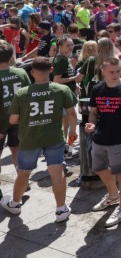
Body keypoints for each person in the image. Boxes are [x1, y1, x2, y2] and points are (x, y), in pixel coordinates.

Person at [1, 57, 78, 223]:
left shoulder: (22, 93)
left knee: (24, 172)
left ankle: (15, 204)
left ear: (32, 72)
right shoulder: (62, 89)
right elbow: (71, 114)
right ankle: (61, 209)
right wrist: (72, 132)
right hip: (54, 137)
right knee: (57, 171)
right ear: (51, 70)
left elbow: (13, 120)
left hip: (30, 138)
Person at [86, 57, 121, 227]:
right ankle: (113, 195)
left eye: (118, 71)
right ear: (102, 71)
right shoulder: (97, 89)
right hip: (100, 137)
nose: (115, 74)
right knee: (99, 169)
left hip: (120, 139)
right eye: (111, 72)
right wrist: (92, 123)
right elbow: (93, 112)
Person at [0, 41, 30, 171]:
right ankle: (22, 180)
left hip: (1, 122)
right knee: (17, 151)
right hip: (18, 120)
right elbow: (29, 95)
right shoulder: (21, 73)